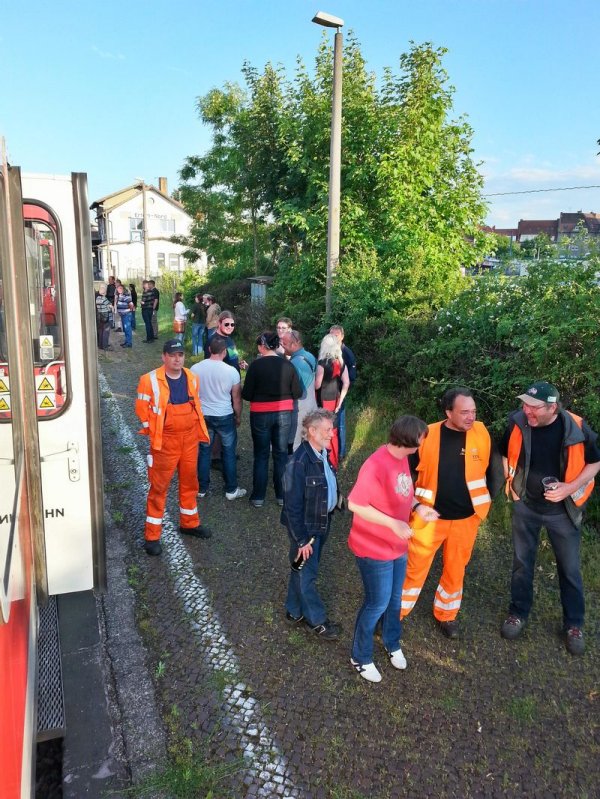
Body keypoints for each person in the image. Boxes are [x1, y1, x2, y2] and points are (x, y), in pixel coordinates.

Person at [499, 381, 600, 655]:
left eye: (533, 407)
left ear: (552, 407)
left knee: (569, 569)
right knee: (521, 563)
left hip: (563, 511)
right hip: (526, 507)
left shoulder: (577, 427)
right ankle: (517, 613)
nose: (526, 411)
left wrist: (568, 488)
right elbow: (503, 451)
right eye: (524, 404)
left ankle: (574, 624)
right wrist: (512, 486)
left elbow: (595, 462)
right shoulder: (517, 422)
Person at [400, 387, 502, 638]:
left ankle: (446, 615)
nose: (471, 417)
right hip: (428, 518)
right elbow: (405, 472)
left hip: (466, 520)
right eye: (464, 412)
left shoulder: (482, 433)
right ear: (448, 412)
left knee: (456, 570)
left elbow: (495, 472)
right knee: (414, 568)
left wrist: (486, 500)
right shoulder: (427, 434)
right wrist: (412, 505)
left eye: (474, 412)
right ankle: (395, 613)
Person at [348, 416, 437, 682]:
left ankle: (391, 641)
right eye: (421, 440)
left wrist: (418, 507)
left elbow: (403, 492)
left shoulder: (402, 459)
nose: (423, 444)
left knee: (395, 600)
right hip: (373, 548)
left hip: (397, 545)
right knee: (377, 603)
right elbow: (355, 504)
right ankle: (360, 657)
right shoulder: (375, 465)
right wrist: (394, 524)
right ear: (409, 441)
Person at [135, 339, 211, 556]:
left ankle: (189, 523)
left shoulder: (192, 378)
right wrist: (155, 431)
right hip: (165, 442)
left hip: (189, 440)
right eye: (173, 355)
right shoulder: (149, 380)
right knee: (159, 488)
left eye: (180, 355)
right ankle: (152, 536)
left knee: (190, 483)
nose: (177, 359)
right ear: (164, 357)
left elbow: (196, 405)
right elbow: (142, 410)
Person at [281, 409, 341, 640]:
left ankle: (293, 610)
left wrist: (340, 501)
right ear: (312, 431)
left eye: (332, 430)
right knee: (308, 574)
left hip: (322, 522)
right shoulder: (298, 463)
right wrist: (302, 540)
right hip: (308, 529)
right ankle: (317, 620)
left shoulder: (322, 453)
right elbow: (292, 506)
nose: (332, 435)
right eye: (327, 430)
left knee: (300, 568)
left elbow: (327, 484)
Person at [242, 331, 301, 507]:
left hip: (260, 414)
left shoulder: (255, 366)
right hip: (284, 414)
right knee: (281, 454)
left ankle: (258, 496)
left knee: (261, 455)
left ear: (262, 346)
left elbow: (247, 394)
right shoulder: (288, 365)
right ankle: (282, 495)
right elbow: (297, 392)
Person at [191, 337, 246, 500]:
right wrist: (238, 416)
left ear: (209, 350)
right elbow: (236, 398)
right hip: (224, 415)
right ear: (224, 352)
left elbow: (192, 394)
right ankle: (231, 489)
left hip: (204, 416)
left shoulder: (195, 369)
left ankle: (202, 488)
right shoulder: (231, 371)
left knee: (204, 451)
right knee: (228, 452)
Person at [314, 333, 349, 469]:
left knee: (325, 430)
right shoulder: (340, 362)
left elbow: (317, 385)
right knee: (333, 430)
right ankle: (333, 460)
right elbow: (346, 382)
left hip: (324, 400)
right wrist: (340, 402)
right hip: (335, 399)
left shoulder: (322, 363)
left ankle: (327, 460)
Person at [279, 329, 318, 451]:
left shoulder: (294, 363)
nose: (283, 348)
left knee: (294, 443)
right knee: (310, 440)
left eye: (284, 344)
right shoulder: (310, 356)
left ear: (294, 344)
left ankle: (294, 467)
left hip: (300, 408)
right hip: (313, 405)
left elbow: (295, 390)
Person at [329, 325, 357, 459]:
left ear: (342, 336)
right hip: (328, 394)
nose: (333, 337)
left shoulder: (346, 353)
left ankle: (341, 452)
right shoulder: (328, 352)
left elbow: (351, 377)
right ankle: (331, 450)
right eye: (331, 335)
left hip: (340, 394)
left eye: (336, 335)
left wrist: (341, 392)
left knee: (339, 423)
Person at [115, 283, 134, 348]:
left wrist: (129, 311)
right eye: (118, 289)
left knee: (127, 329)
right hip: (123, 315)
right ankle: (126, 342)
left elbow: (131, 304)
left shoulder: (126, 295)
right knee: (125, 329)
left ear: (123, 289)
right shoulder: (120, 295)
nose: (119, 290)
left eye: (120, 288)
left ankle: (129, 343)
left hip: (127, 314)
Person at [95, 283, 112, 351]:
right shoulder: (103, 298)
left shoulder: (97, 298)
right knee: (106, 331)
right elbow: (110, 306)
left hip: (100, 316)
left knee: (101, 331)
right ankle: (105, 346)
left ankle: (100, 345)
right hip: (105, 316)